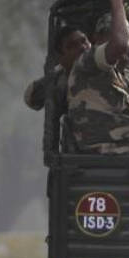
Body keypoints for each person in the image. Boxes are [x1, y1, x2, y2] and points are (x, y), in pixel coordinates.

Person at [66, 0, 129, 154]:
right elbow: (119, 45)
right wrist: (117, 1)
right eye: (111, 35)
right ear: (97, 39)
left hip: (127, 147)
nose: (126, 52)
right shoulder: (88, 62)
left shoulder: (122, 75)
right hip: (110, 151)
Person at [23, 25, 90, 166]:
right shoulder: (60, 82)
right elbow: (31, 98)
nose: (83, 48)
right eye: (72, 46)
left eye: (84, 41)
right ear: (61, 57)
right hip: (80, 156)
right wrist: (59, 72)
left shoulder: (107, 63)